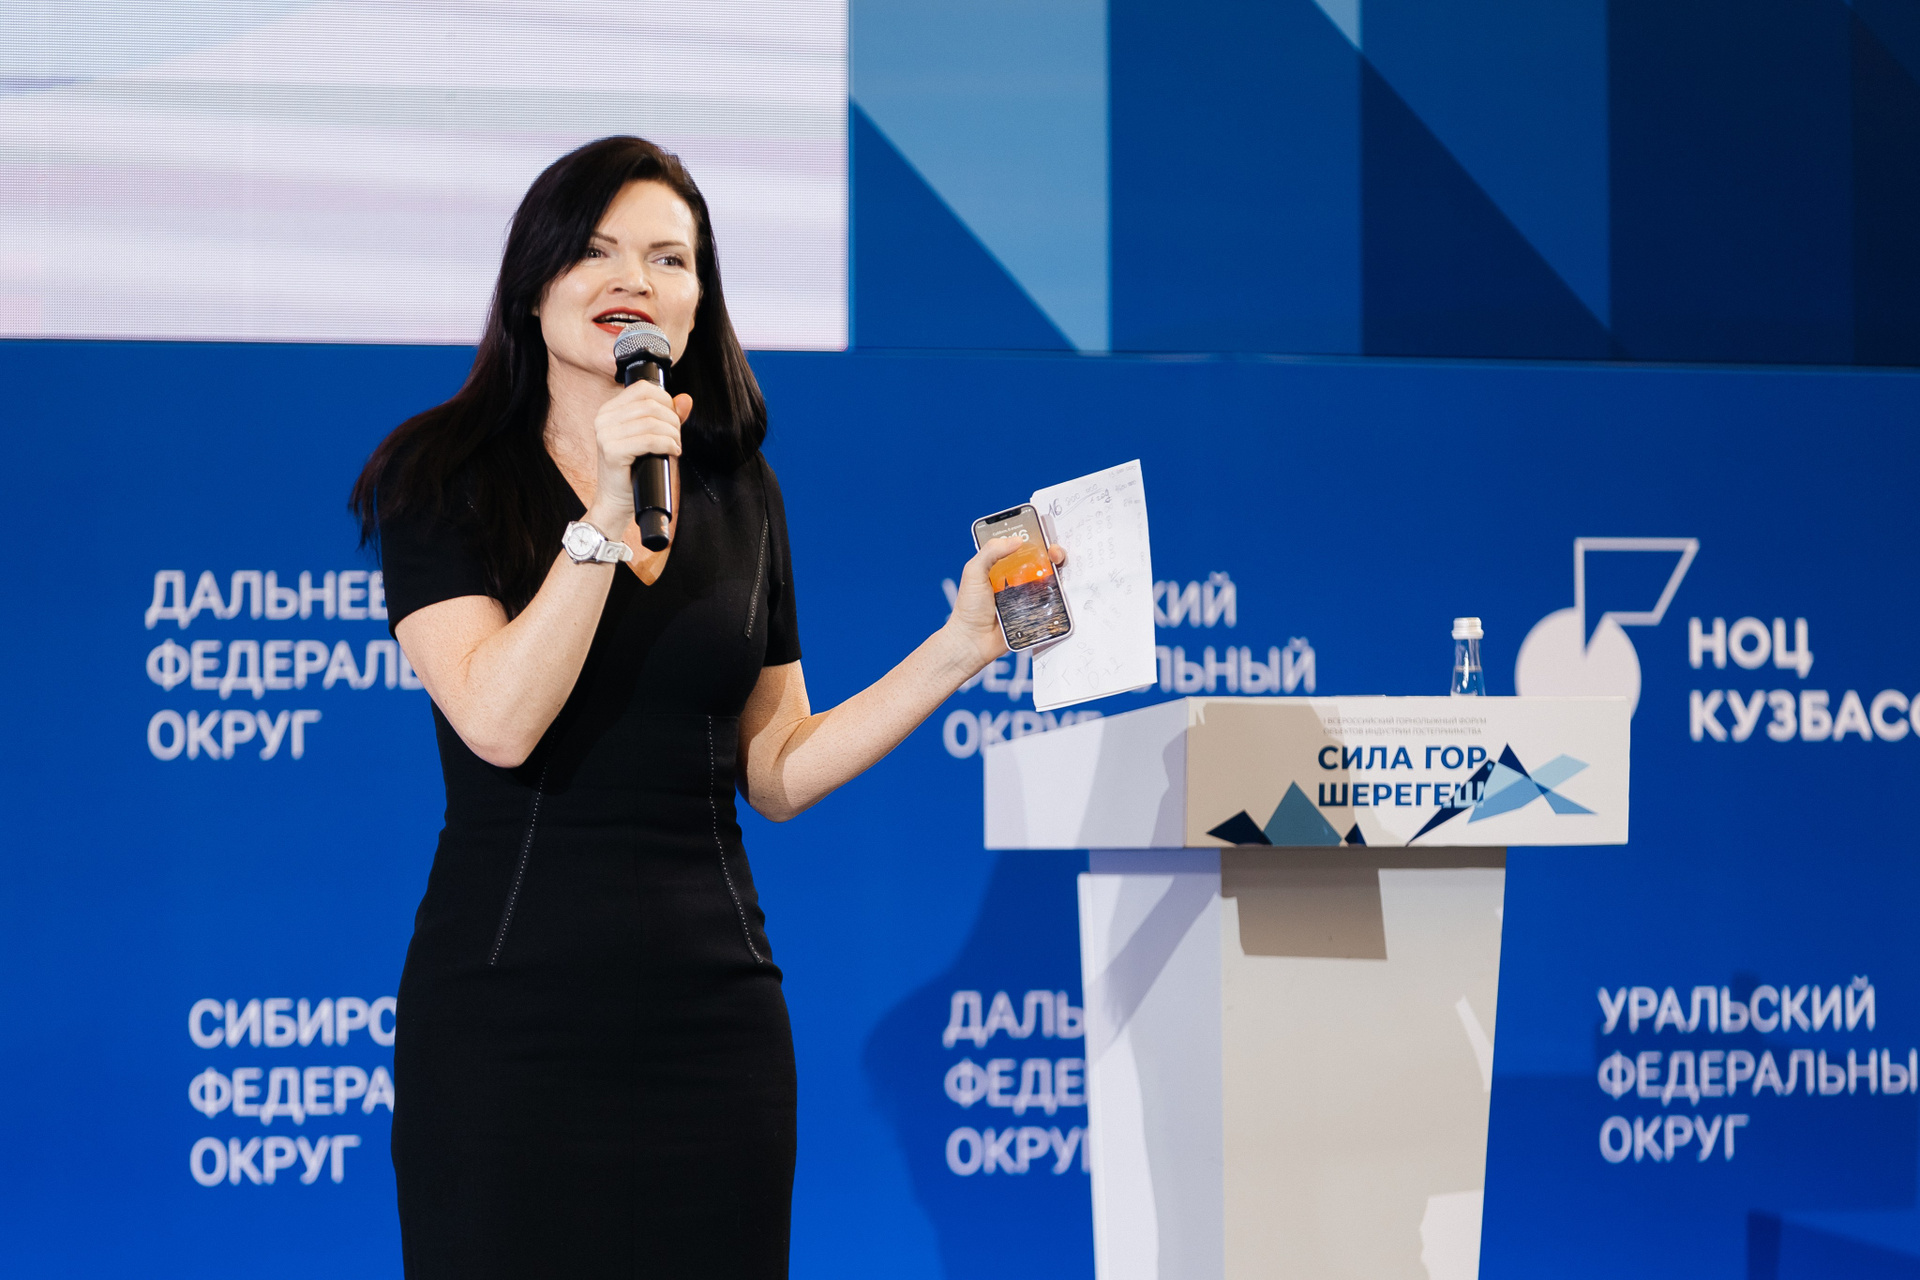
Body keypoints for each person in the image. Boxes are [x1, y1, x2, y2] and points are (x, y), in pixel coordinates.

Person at [348, 136, 1057, 1277]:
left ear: (697, 301)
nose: (633, 279)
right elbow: (498, 719)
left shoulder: (740, 492)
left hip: (713, 1021)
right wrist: (604, 516)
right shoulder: (443, 476)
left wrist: (961, 646)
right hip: (507, 1014)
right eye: (596, 250)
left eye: (669, 259)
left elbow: (775, 765)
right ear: (534, 284)